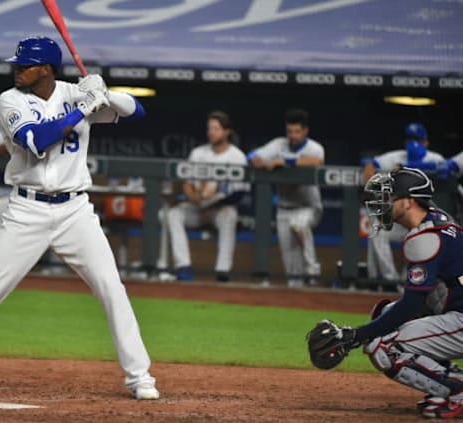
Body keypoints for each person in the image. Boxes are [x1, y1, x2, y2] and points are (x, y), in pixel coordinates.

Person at [0, 36, 160, 400]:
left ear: (45, 69)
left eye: (24, 66)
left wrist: (105, 94)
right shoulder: (10, 100)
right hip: (26, 210)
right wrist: (83, 109)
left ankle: (139, 376)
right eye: (16, 65)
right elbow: (36, 140)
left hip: (75, 211)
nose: (16, 71)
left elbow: (137, 112)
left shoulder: (76, 92)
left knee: (113, 290)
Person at [315, 167, 463, 419]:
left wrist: (355, 336)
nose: (382, 203)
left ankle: (457, 390)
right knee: (383, 315)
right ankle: (451, 380)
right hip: (457, 306)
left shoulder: (425, 239)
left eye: (389, 197)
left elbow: (410, 305)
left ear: (409, 202)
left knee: (382, 346)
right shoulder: (438, 219)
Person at [159, 110, 247, 282]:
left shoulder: (237, 157)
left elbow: (239, 193)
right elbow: (187, 183)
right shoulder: (198, 153)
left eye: (216, 129)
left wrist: (213, 203)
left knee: (229, 215)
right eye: (210, 128)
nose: (211, 132)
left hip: (219, 208)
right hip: (197, 206)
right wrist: (193, 198)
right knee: (173, 214)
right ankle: (183, 266)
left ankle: (223, 270)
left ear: (227, 131)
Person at [360, 123, 447, 286]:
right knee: (378, 230)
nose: (413, 144)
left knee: (421, 241)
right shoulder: (396, 157)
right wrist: (370, 178)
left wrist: (405, 168)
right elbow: (370, 163)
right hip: (402, 220)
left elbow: (444, 169)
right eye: (410, 139)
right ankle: (390, 280)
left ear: (426, 142)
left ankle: (406, 282)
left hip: (426, 221)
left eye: (418, 140)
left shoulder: (436, 159)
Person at [248, 109, 324, 288]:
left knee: (299, 225)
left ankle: (313, 271)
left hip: (309, 207)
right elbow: (252, 155)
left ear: (305, 131)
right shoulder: (278, 145)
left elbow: (315, 161)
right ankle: (297, 291)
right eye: (290, 131)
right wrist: (256, 160)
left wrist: (285, 162)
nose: (293, 136)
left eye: (297, 132)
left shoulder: (314, 147)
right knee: (291, 268)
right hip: (284, 208)